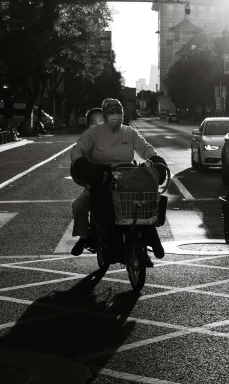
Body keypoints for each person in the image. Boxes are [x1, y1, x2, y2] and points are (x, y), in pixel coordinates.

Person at [70, 97, 167, 263]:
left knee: (146, 202)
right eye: (112, 113)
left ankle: (149, 240)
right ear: (105, 115)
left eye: (119, 113)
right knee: (79, 206)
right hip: (101, 179)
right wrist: (82, 163)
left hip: (127, 179)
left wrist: (156, 159)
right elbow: (77, 150)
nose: (116, 116)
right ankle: (85, 237)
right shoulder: (93, 133)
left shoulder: (129, 132)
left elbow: (145, 148)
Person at [71, 107, 104, 256]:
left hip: (120, 189)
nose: (97, 125)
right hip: (95, 189)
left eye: (102, 121)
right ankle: (84, 237)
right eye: (93, 122)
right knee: (78, 205)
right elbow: (76, 170)